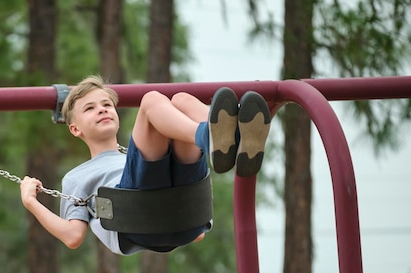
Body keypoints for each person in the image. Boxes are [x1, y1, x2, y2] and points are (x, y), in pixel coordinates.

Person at [20, 75, 270, 255]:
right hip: (134, 212)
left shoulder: (131, 154)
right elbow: (73, 237)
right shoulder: (78, 176)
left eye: (107, 105)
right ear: (75, 129)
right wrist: (31, 202)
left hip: (184, 218)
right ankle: (216, 137)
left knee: (182, 99)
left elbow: (197, 235)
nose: (102, 110)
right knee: (151, 100)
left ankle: (228, 139)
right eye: (90, 108)